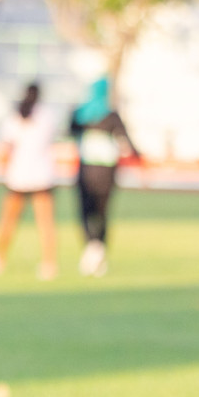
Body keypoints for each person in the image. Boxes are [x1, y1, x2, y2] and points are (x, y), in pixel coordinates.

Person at [0, 82, 59, 280]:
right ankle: (49, 264)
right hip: (42, 175)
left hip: (19, 175)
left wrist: (5, 171)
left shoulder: (14, 117)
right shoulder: (47, 116)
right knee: (45, 223)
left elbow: (8, 149)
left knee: (8, 221)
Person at [69, 77, 138, 277]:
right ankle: (98, 250)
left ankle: (91, 248)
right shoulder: (111, 116)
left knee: (85, 211)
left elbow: (70, 131)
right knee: (102, 212)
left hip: (86, 170)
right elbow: (127, 140)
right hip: (107, 172)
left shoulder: (81, 114)